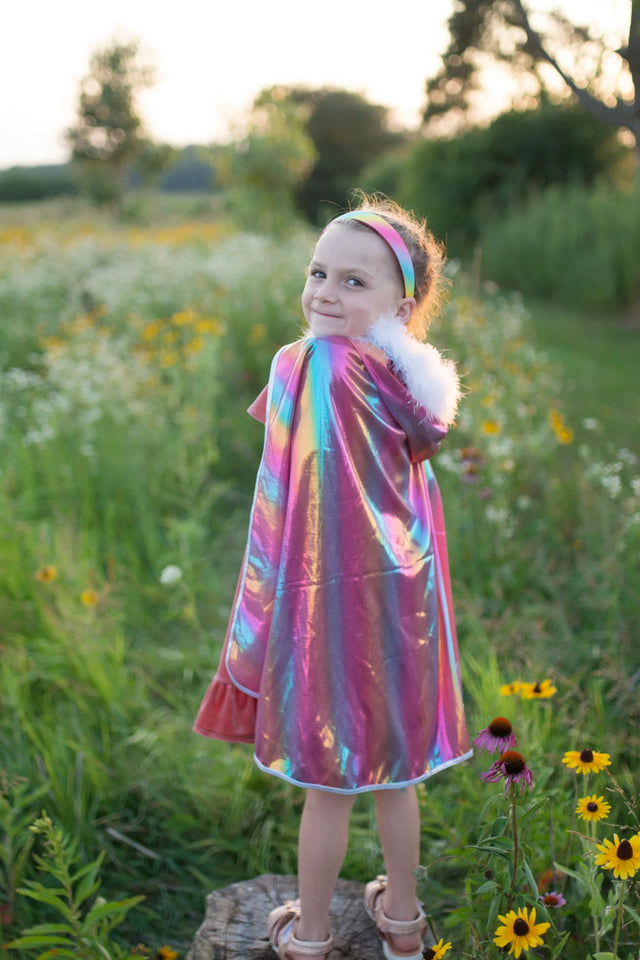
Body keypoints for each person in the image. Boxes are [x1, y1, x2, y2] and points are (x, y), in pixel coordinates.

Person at [194, 196, 472, 960]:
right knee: (394, 775)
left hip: (327, 609)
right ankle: (404, 925)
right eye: (318, 273)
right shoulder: (401, 375)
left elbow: (289, 483)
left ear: (401, 305)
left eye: (353, 283)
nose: (323, 293)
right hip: (400, 604)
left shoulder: (305, 362)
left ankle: (311, 935)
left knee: (330, 782)